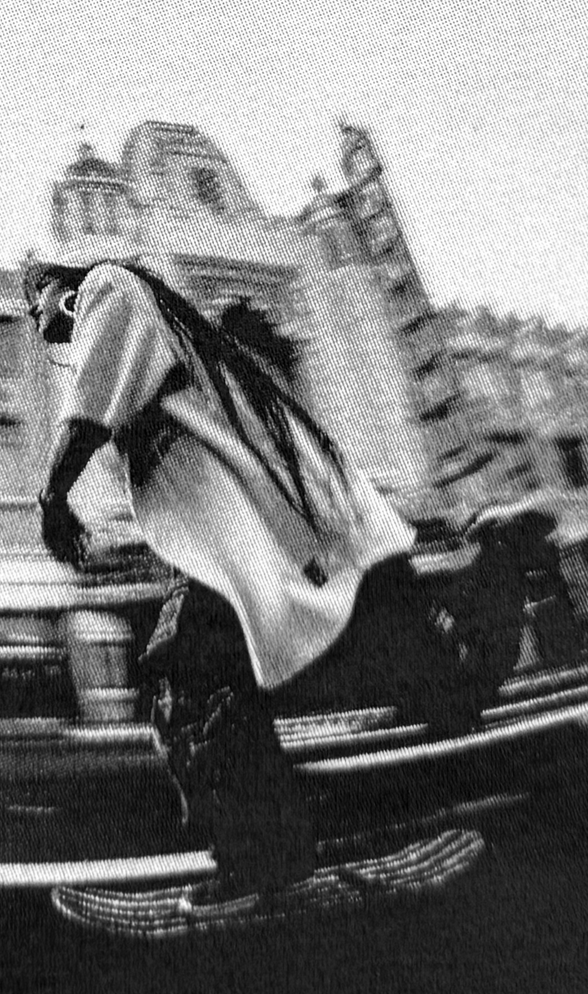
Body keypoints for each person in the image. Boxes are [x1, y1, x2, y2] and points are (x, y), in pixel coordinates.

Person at [26, 258, 516, 904]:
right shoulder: (159, 329)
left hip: (261, 525)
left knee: (189, 681)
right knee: (409, 667)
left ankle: (265, 861)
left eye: (39, 300)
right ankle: (498, 588)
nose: (38, 320)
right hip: (286, 519)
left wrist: (53, 497)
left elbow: (89, 402)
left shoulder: (105, 289)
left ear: (67, 288)